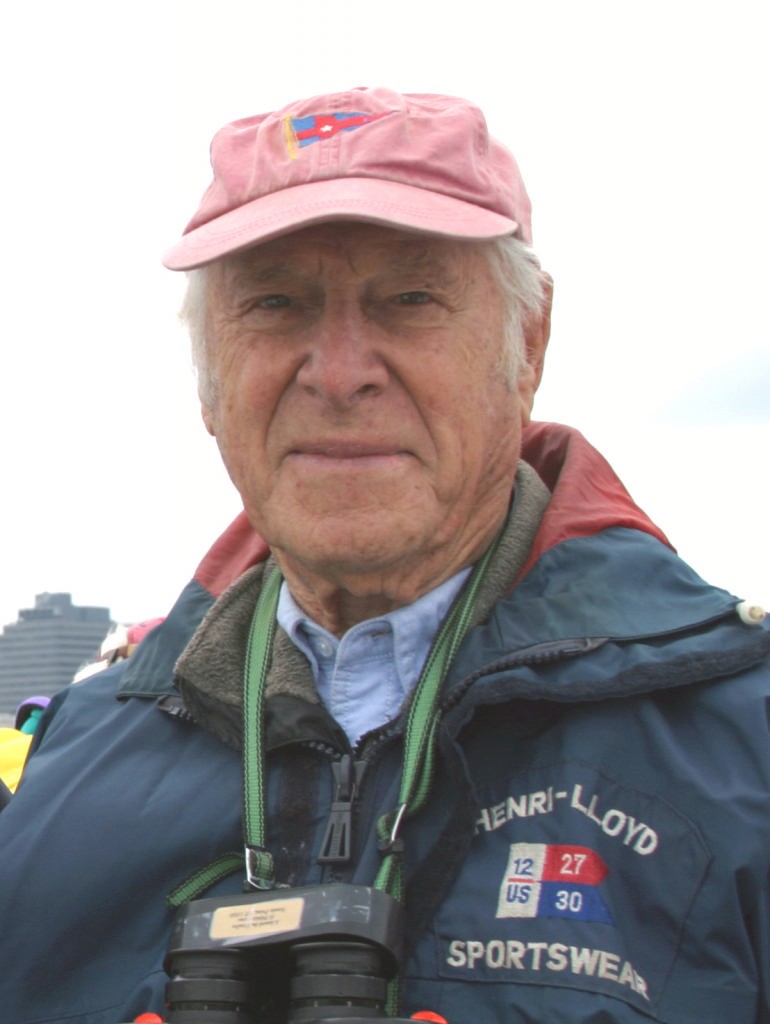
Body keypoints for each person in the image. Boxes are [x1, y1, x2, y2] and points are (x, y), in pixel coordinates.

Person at [0, 87, 768, 1024]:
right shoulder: (70, 765)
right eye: (276, 303)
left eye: (410, 299)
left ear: (528, 344)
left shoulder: (742, 746)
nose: (340, 371)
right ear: (207, 377)